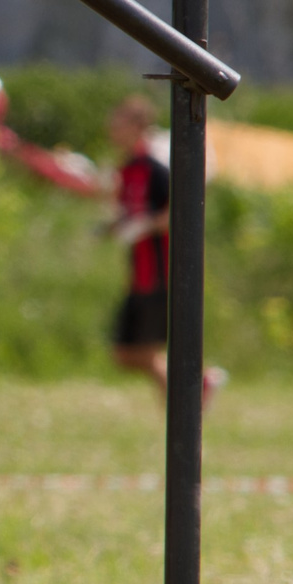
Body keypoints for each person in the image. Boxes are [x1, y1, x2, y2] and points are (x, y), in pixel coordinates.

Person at [104, 94, 224, 402]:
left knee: (138, 351)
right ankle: (195, 390)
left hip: (158, 272)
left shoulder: (155, 169)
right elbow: (129, 211)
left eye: (119, 121)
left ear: (137, 126)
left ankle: (193, 393)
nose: (111, 127)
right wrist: (115, 227)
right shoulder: (127, 169)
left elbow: (179, 213)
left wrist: (143, 225)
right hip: (138, 273)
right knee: (125, 353)